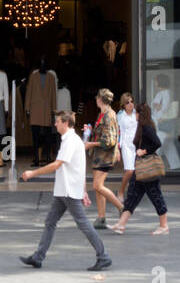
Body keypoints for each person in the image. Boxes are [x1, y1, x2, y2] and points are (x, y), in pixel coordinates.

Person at [19, 112, 111, 271]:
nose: (55, 124)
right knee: (51, 222)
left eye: (57, 122)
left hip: (67, 190)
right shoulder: (75, 140)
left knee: (82, 224)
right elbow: (79, 167)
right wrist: (82, 188)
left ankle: (103, 256)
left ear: (66, 123)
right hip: (65, 190)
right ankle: (38, 257)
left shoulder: (70, 141)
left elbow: (56, 165)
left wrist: (32, 173)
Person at [114, 102, 169, 235]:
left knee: (155, 195)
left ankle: (164, 226)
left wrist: (144, 151)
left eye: (136, 113)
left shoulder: (146, 128)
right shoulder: (142, 127)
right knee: (132, 195)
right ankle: (121, 224)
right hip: (140, 167)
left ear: (140, 114)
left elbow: (157, 142)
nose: (134, 115)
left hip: (147, 168)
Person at [84, 89, 123, 230]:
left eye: (97, 97)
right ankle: (101, 218)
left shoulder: (109, 115)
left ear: (101, 99)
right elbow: (103, 135)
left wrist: (90, 144)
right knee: (98, 187)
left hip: (105, 156)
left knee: (97, 185)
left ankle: (121, 207)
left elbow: (109, 141)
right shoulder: (102, 114)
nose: (95, 99)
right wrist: (89, 131)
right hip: (98, 155)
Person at [116, 93, 138, 197]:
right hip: (127, 145)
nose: (130, 104)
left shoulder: (137, 113)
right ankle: (121, 191)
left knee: (138, 171)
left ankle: (134, 192)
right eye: (127, 102)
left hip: (138, 145)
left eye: (131, 101)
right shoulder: (120, 115)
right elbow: (118, 132)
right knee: (129, 170)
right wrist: (117, 148)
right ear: (123, 104)